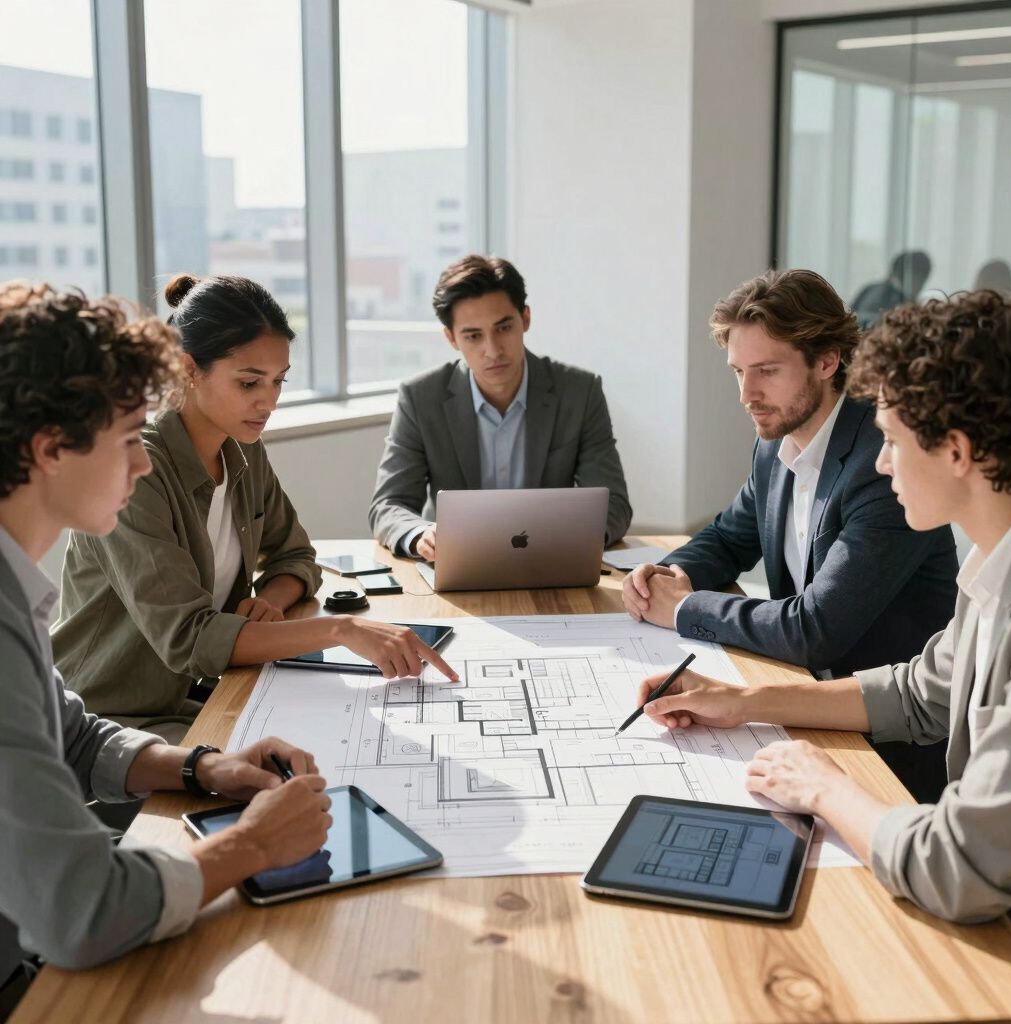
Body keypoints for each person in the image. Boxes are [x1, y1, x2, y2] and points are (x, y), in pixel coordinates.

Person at [635, 289, 1011, 926]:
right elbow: (919, 693)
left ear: (956, 452)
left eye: (892, 439)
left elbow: (957, 866)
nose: (881, 461)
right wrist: (743, 701)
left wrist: (825, 788)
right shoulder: (993, 567)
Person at [0, 282, 331, 1000]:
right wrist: (252, 845)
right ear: (51, 448)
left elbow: (74, 736)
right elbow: (84, 911)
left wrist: (207, 767)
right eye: (128, 439)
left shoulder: (12, 590)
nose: (145, 462)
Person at [54, 274, 456, 741]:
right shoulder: (135, 470)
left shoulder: (242, 447)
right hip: (106, 720)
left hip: (198, 695)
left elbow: (296, 557)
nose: (268, 402)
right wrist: (339, 630)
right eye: (249, 383)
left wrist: (270, 601)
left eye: (278, 381)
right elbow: (189, 639)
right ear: (187, 369)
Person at [621, 269, 958, 800]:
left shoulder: (884, 463)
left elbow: (815, 628)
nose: (747, 394)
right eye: (738, 371)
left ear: (827, 361)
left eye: (767, 371)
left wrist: (683, 608)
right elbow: (729, 536)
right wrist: (667, 575)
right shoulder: (776, 440)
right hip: (798, 705)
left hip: (885, 747)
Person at [368, 254, 632, 559]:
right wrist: (421, 535)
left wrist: (565, 539)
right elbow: (388, 505)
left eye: (503, 328)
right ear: (451, 338)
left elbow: (614, 505)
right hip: (456, 561)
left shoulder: (580, 393)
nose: (492, 350)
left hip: (549, 559)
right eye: (473, 336)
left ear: (525, 319)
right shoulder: (420, 398)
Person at [850, 250, 931, 330]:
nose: (922, 283)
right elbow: (861, 321)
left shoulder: (883, 291)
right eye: (921, 276)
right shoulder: (883, 293)